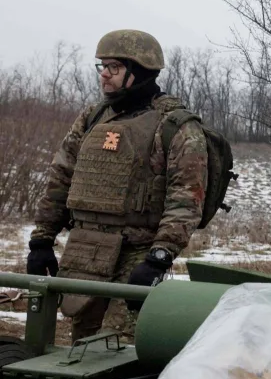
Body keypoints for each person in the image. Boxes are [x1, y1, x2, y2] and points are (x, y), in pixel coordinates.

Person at [25, 30, 209, 342]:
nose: (105, 76)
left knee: (115, 346)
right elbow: (61, 179)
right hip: (86, 249)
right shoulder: (93, 117)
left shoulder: (176, 126)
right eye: (102, 67)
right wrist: (41, 240)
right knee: (81, 342)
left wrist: (159, 257)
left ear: (138, 72)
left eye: (114, 68)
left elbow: (186, 198)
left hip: (138, 253)